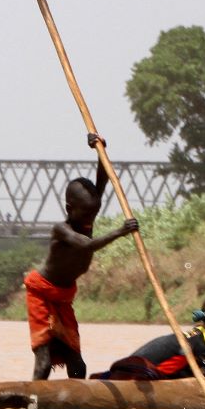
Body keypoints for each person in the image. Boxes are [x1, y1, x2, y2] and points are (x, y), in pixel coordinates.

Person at [25, 133, 139, 380]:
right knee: (44, 361)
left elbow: (102, 181)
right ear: (70, 209)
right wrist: (121, 231)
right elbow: (86, 246)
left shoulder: (86, 212)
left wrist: (100, 151)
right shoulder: (62, 229)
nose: (91, 219)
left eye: (94, 213)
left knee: (77, 364)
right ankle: (34, 404)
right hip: (42, 294)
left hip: (64, 298)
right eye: (87, 214)